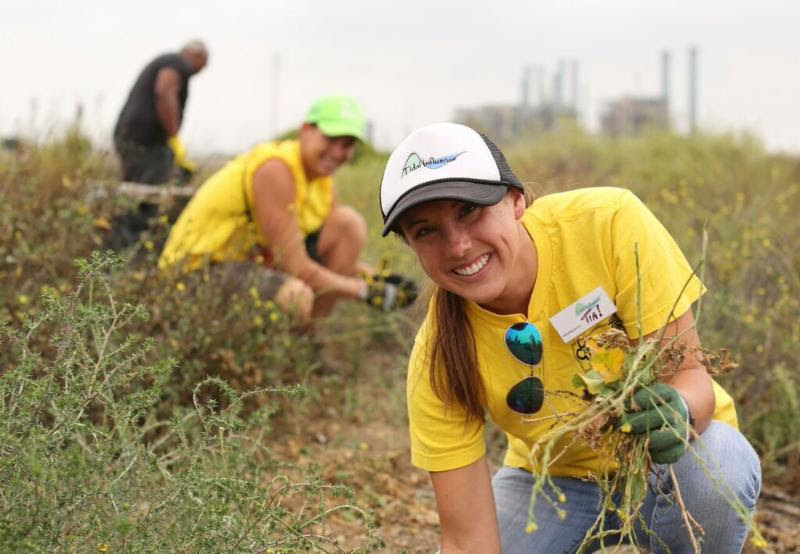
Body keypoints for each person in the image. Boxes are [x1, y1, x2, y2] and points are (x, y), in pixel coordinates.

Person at [379, 122, 761, 553]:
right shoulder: (439, 354)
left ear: (516, 200)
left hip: (669, 462)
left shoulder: (608, 224)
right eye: (426, 230)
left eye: (469, 210)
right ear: (411, 245)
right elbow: (468, 541)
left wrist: (678, 413)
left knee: (719, 464)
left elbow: (689, 376)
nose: (458, 245)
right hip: (554, 483)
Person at [159, 95, 416, 323]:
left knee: (348, 225)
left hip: (249, 263)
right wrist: (364, 292)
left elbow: (331, 259)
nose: (337, 152)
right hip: (196, 273)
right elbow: (296, 266)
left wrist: (378, 279)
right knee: (295, 296)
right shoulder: (275, 170)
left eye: (347, 144)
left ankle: (306, 341)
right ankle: (275, 358)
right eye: (331, 139)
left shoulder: (322, 183)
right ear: (305, 130)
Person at [114, 40, 208, 184]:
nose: (202, 69)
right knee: (150, 195)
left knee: (134, 190)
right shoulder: (178, 63)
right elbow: (164, 91)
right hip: (146, 142)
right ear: (197, 56)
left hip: (127, 136)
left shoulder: (167, 61)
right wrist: (173, 136)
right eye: (204, 63)